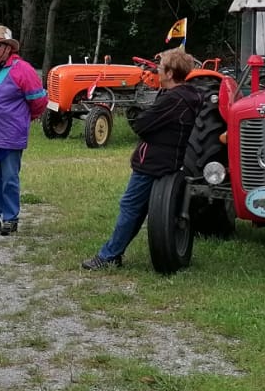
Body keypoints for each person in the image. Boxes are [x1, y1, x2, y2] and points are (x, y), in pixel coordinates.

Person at [82, 48, 204, 270]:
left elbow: (141, 124)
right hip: (168, 158)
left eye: (161, 67)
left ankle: (109, 256)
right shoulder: (185, 96)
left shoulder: (173, 99)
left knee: (130, 206)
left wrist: (146, 123)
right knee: (137, 208)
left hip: (153, 162)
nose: (157, 69)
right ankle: (114, 253)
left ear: (169, 73)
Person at [0, 25, 47, 236]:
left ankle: (10, 219)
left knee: (9, 179)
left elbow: (39, 101)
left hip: (10, 137)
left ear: (8, 48)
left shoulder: (23, 70)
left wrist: (22, 119)